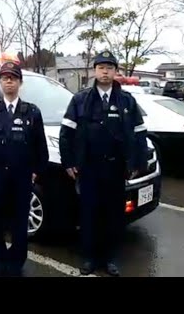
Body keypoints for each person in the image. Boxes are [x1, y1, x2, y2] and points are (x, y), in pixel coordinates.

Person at [59, 51, 148, 276]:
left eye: (109, 67)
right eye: (101, 67)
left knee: (113, 216)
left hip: (116, 169)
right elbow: (66, 133)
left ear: (116, 71)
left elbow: (139, 133)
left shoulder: (127, 100)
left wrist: (137, 162)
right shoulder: (80, 100)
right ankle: (89, 258)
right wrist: (68, 162)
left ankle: (109, 259)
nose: (105, 71)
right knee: (89, 215)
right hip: (88, 169)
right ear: (94, 71)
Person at [0, 61, 49, 277]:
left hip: (21, 180)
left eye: (13, 78)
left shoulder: (32, 113)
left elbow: (41, 148)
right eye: (5, 78)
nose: (9, 82)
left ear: (20, 82)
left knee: (18, 224)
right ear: (0, 82)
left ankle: (16, 262)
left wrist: (35, 172)